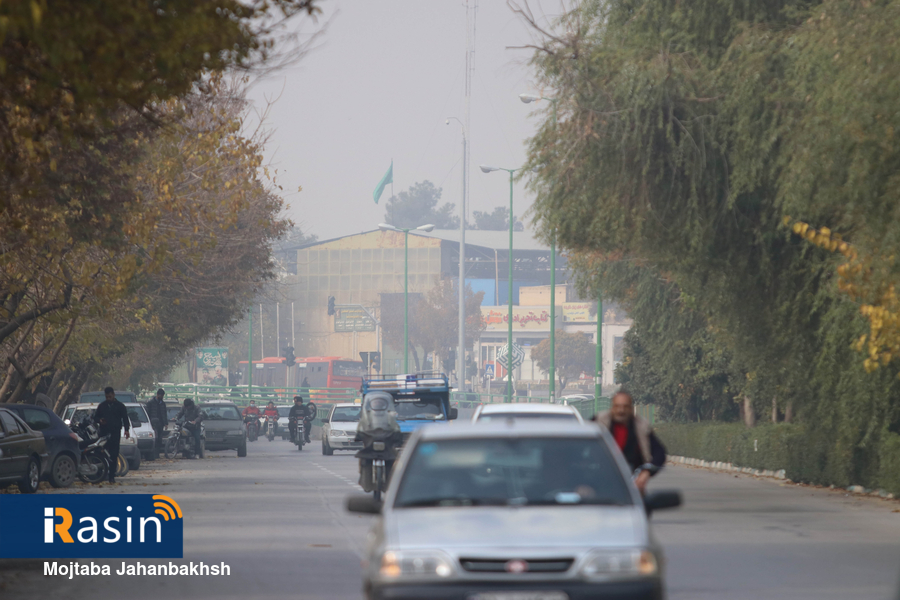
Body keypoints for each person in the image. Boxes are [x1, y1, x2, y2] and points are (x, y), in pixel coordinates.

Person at [593, 389, 666, 494]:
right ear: (612, 407)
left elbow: (659, 452)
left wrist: (646, 472)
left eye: (625, 407)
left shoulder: (641, 426)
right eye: (617, 406)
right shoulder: (598, 422)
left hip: (632, 485)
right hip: (599, 481)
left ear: (631, 408)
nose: (621, 411)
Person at [93, 387, 131, 483]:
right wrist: (100, 420)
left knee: (114, 454)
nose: (108, 398)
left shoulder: (120, 406)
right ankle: (100, 474)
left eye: (110, 396)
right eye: (106, 397)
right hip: (104, 433)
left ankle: (111, 476)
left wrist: (127, 430)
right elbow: (95, 417)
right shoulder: (102, 406)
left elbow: (125, 419)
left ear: (113, 395)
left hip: (115, 433)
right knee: (101, 452)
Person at [145, 388, 167, 453]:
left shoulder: (163, 403)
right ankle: (153, 452)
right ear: (157, 395)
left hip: (161, 423)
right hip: (153, 423)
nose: (162, 397)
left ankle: (158, 452)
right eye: (161, 396)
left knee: (160, 439)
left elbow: (164, 413)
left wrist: (166, 423)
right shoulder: (150, 403)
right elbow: (147, 413)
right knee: (155, 438)